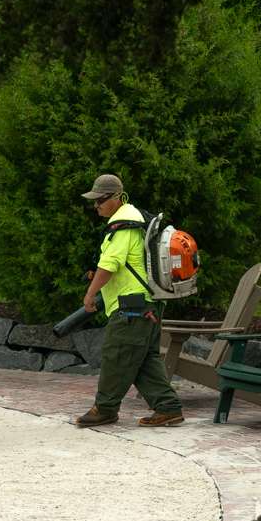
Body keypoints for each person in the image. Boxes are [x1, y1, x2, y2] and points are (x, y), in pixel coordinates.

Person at [75, 174, 184, 428]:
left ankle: (105, 409)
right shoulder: (135, 220)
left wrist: (90, 294)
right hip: (147, 305)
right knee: (144, 359)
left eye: (100, 200)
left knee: (117, 355)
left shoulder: (124, 224)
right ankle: (168, 408)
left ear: (116, 197)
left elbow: (110, 265)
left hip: (131, 307)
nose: (96, 206)